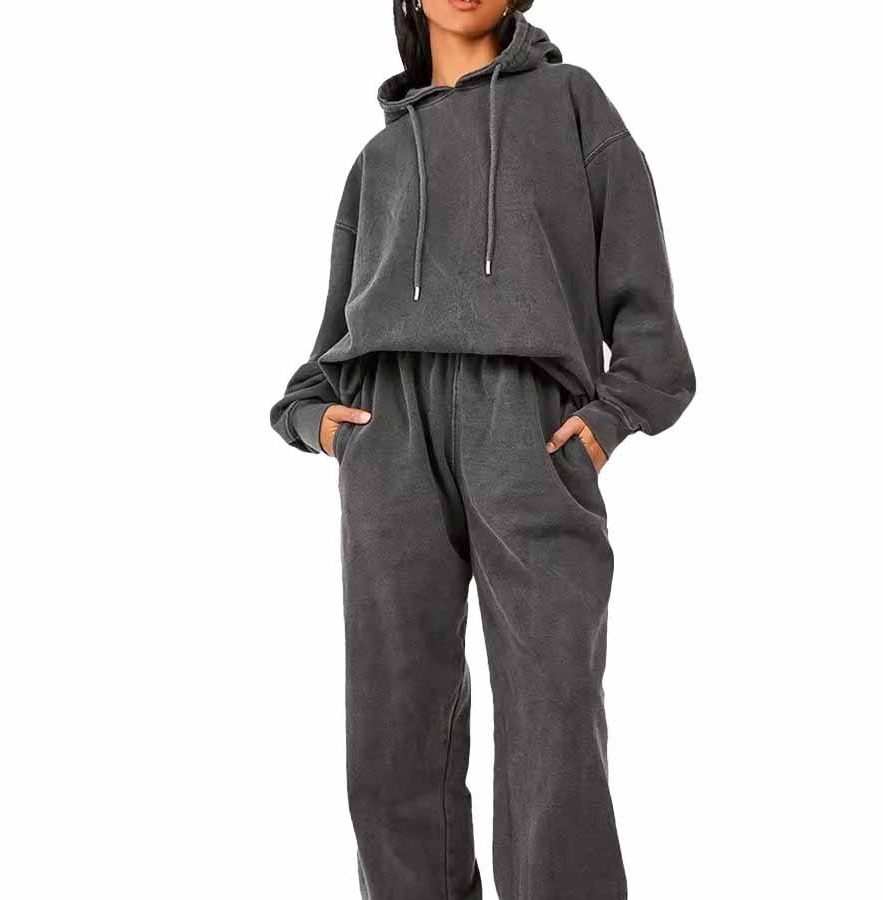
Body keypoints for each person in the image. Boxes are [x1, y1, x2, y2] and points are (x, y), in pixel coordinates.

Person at [270, 1, 694, 897]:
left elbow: (648, 318)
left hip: (528, 430)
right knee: (395, 726)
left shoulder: (573, 102)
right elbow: (321, 362)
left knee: (555, 716)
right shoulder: (377, 161)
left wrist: (611, 418)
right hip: (389, 434)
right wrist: (319, 426)